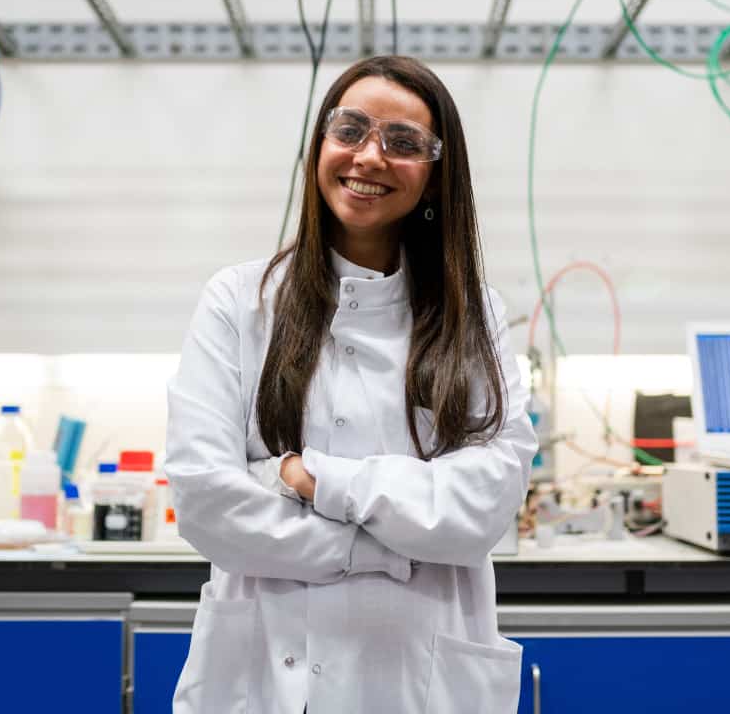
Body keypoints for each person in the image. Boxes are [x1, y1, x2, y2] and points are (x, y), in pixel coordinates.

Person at [165, 55, 537, 714]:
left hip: (418, 682)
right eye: (351, 131)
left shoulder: (474, 317)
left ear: (435, 173)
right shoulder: (239, 301)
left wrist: (311, 479)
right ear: (319, 147)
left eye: (403, 143)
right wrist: (383, 548)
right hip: (260, 678)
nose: (370, 157)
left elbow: (482, 509)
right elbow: (206, 501)